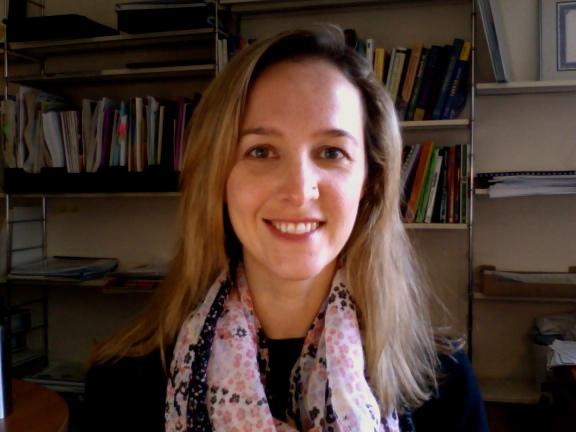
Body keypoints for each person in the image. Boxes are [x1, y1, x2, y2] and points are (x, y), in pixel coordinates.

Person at [84, 26, 488, 431]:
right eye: (261, 151)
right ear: (217, 177)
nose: (298, 190)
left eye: (331, 152)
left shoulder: (444, 383)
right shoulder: (123, 383)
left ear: (370, 182)